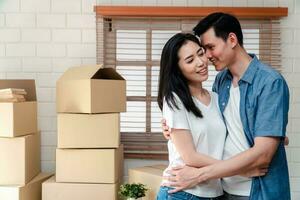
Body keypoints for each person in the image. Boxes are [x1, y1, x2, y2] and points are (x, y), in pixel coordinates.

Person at [161, 12, 290, 200]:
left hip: (256, 191)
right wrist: (172, 127)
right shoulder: (222, 81)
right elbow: (219, 124)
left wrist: (276, 136)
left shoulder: (270, 82)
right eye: (204, 49)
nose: (207, 56)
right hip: (223, 190)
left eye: (210, 47)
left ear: (231, 39)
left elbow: (263, 153)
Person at [156, 33, 264, 200]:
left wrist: (274, 135)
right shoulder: (174, 99)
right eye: (190, 60)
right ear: (177, 69)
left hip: (216, 192)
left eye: (200, 53)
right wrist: (240, 170)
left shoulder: (217, 97)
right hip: (183, 192)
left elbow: (239, 127)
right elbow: (190, 157)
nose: (201, 62)